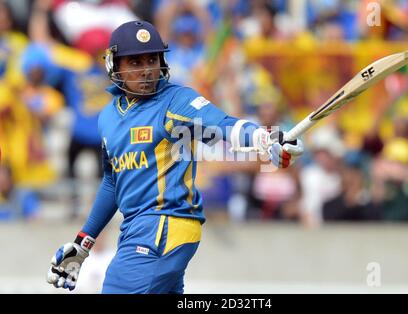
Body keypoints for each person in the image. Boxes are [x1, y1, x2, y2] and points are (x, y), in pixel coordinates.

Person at [46, 20, 304, 294]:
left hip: (164, 224)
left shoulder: (175, 100)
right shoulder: (108, 116)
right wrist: (84, 241)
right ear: (114, 66)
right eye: (134, 62)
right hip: (135, 230)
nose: (146, 70)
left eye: (152, 59)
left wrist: (265, 138)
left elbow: (225, 124)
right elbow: (112, 182)